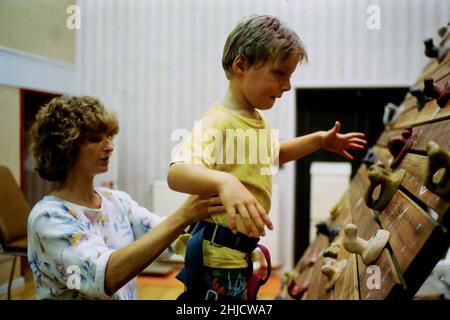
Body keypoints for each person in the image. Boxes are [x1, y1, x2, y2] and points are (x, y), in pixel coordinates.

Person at [167, 14, 367, 300]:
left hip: (239, 255)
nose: (287, 86)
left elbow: (275, 154)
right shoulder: (218, 120)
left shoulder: (256, 120)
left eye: (289, 76)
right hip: (216, 260)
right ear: (241, 65)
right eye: (279, 73)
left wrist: (320, 140)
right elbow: (177, 173)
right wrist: (226, 182)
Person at [27, 95, 224, 300]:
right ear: (64, 148)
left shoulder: (116, 201)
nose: (110, 146)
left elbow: (170, 237)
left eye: (108, 136)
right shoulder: (48, 218)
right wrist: (186, 213)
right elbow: (104, 277)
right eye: (95, 139)